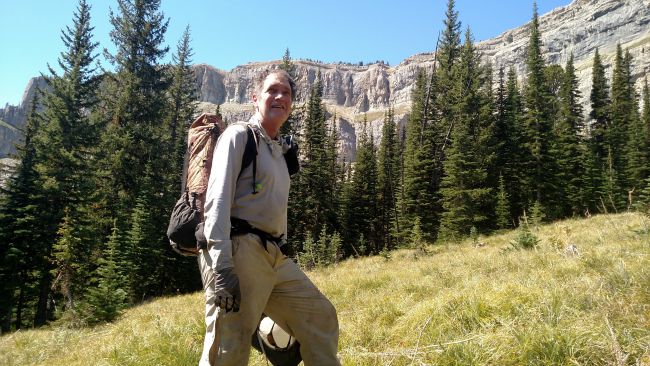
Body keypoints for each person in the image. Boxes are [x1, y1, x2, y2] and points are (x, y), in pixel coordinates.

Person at [198, 69, 341, 366]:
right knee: (230, 345)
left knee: (320, 317)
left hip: (274, 256)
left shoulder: (277, 150)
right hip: (239, 251)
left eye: (286, 93)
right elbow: (217, 202)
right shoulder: (238, 136)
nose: (280, 97)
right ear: (255, 98)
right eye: (272, 91)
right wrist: (223, 268)